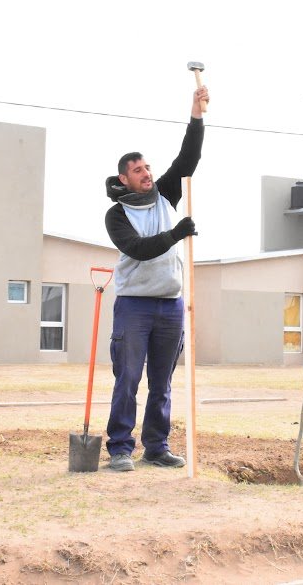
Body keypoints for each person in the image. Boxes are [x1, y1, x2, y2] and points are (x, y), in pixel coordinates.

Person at [102, 85, 209, 472]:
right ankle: (118, 448)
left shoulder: (166, 194)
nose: (147, 174)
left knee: (161, 383)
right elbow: (138, 249)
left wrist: (196, 113)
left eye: (147, 167)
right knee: (128, 379)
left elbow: (189, 157)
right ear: (124, 179)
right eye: (138, 170)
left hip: (170, 304)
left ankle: (157, 446)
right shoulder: (117, 216)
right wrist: (176, 234)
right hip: (134, 306)